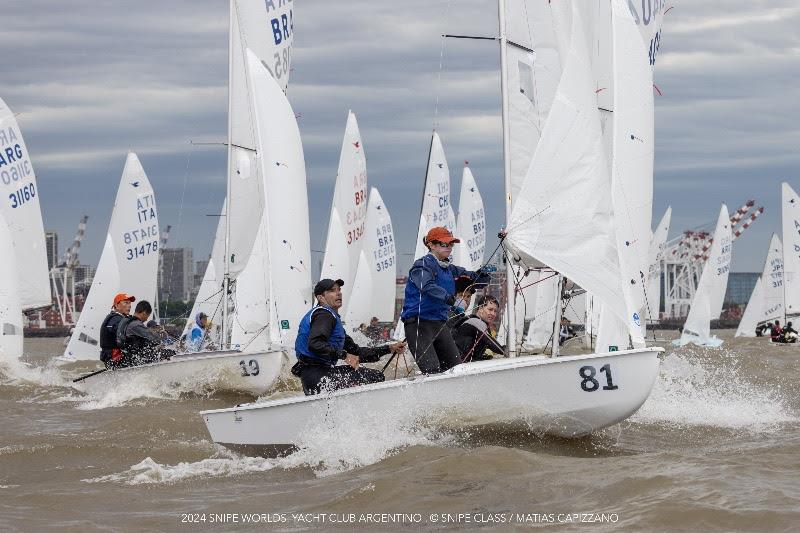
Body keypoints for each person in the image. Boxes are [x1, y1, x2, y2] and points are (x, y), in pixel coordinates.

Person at [400, 227, 493, 374]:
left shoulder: (450, 269)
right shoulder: (422, 265)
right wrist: (451, 300)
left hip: (439, 324)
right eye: (444, 244)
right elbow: (427, 286)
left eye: (451, 244)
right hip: (418, 324)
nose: (449, 247)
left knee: (456, 369)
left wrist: (483, 275)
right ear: (431, 245)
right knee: (432, 369)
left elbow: (473, 280)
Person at [292, 278, 407, 395]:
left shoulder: (331, 320)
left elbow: (357, 352)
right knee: (375, 377)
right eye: (332, 290)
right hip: (317, 378)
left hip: (319, 375)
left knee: (372, 375)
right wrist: (344, 355)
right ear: (320, 297)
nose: (338, 293)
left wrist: (389, 348)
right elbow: (315, 344)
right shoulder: (324, 315)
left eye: (339, 289)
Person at [114, 300, 175, 367]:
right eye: (147, 316)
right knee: (170, 352)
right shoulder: (136, 325)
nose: (146, 319)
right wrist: (163, 332)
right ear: (144, 313)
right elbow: (156, 338)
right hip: (134, 359)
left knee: (159, 351)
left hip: (130, 356)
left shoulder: (128, 321)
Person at [451, 295, 505, 362]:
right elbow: (493, 344)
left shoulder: (481, 324)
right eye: (490, 309)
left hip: (464, 364)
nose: (493, 314)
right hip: (459, 366)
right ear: (480, 308)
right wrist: (508, 351)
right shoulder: (475, 322)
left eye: (495, 311)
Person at [99, 293, 135, 367]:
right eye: (126, 302)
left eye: (130, 303)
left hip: (115, 357)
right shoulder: (116, 319)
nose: (129, 305)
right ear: (116, 306)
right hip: (114, 358)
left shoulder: (120, 318)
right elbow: (124, 333)